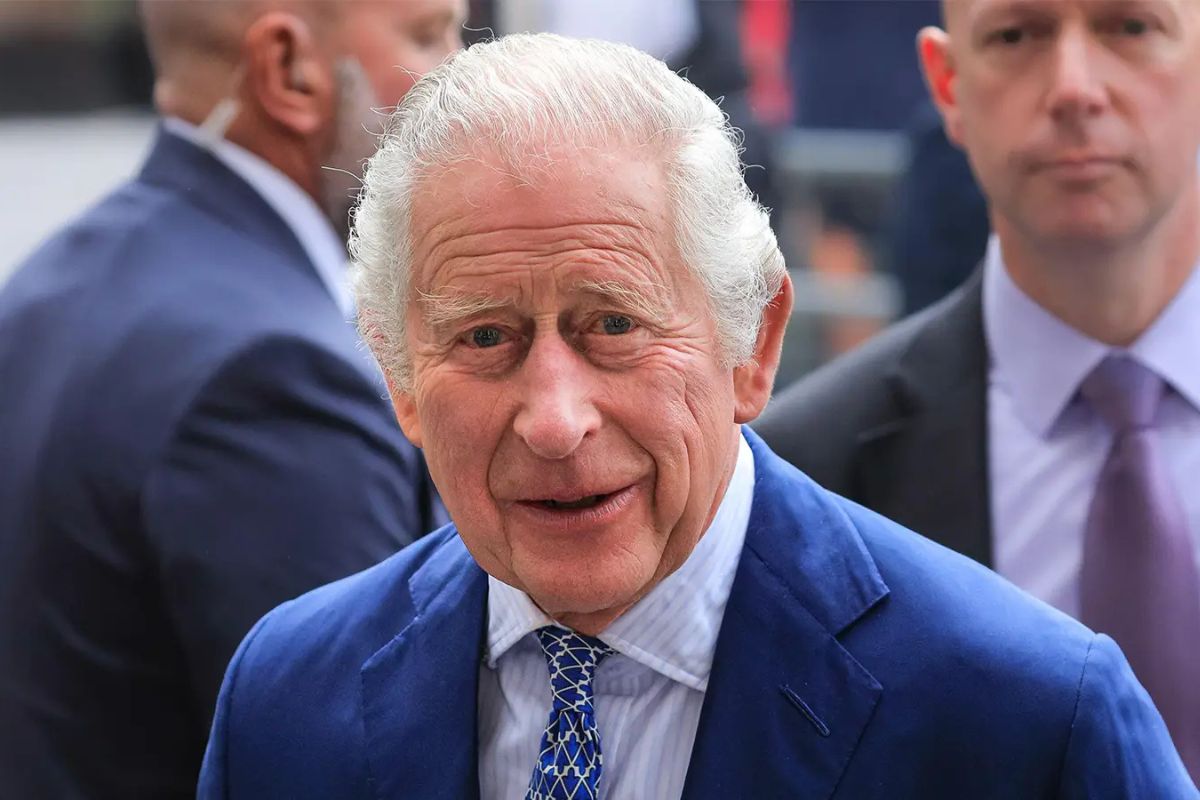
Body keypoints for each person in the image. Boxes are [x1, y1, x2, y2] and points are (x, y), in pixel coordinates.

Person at [198, 34, 1195, 800]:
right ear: (400, 377)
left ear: (752, 347)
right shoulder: (288, 701)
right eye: (486, 336)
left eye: (613, 325)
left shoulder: (1027, 716)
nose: (555, 420)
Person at [0, 1, 464, 796]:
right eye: (428, 35)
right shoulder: (276, 374)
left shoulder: (46, 283)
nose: (462, 71)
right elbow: (357, 764)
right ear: (288, 69)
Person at [757, 0, 1200, 781]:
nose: (1075, 86)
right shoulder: (805, 481)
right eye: (1016, 35)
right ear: (947, 83)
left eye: (1131, 27)